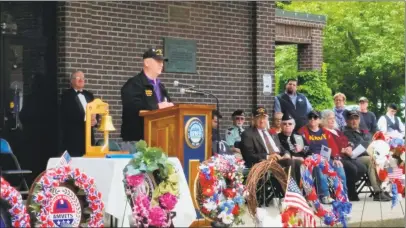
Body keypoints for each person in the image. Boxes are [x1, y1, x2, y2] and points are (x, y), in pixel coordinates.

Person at [121, 48, 173, 142]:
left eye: (162, 61)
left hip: (159, 137)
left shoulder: (161, 86)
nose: (161, 64)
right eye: (158, 61)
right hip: (137, 140)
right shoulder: (134, 84)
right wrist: (157, 106)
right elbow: (132, 106)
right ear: (147, 63)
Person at [240, 106, 302, 184]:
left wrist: (286, 154)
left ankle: (300, 191)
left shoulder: (272, 132)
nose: (262, 121)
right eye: (259, 118)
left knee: (298, 162)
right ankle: (290, 191)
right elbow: (248, 156)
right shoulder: (248, 134)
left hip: (280, 160)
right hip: (264, 163)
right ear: (254, 119)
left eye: (264, 118)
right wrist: (268, 156)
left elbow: (281, 148)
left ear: (267, 119)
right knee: (290, 162)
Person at [298, 110, 347, 204]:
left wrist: (336, 157)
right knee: (321, 168)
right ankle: (325, 195)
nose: (312, 119)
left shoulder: (325, 132)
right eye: (310, 117)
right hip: (312, 158)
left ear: (319, 120)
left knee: (339, 167)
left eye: (315, 117)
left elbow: (333, 146)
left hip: (326, 158)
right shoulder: (303, 131)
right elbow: (302, 147)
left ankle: (343, 195)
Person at [343, 110, 391, 201]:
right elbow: (355, 146)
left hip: (369, 154)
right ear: (347, 121)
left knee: (386, 160)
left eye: (356, 118)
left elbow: (371, 141)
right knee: (371, 160)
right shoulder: (346, 132)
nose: (354, 121)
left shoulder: (363, 131)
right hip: (354, 158)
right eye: (351, 119)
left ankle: (385, 188)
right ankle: (377, 192)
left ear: (359, 120)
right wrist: (367, 144)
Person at [320, 110, 367, 201]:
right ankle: (350, 192)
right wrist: (340, 151)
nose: (333, 120)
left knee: (362, 168)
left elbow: (346, 140)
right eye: (330, 119)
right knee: (352, 169)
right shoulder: (323, 131)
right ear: (324, 120)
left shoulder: (336, 131)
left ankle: (350, 187)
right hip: (335, 157)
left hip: (346, 155)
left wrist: (349, 146)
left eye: (333, 118)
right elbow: (328, 146)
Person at [60, 71, 97, 157]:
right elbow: (68, 114)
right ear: (71, 81)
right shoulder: (66, 95)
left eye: (83, 78)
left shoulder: (89, 95)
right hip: (74, 137)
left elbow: (95, 111)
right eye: (78, 78)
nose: (81, 80)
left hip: (89, 136)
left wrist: (95, 120)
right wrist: (86, 118)